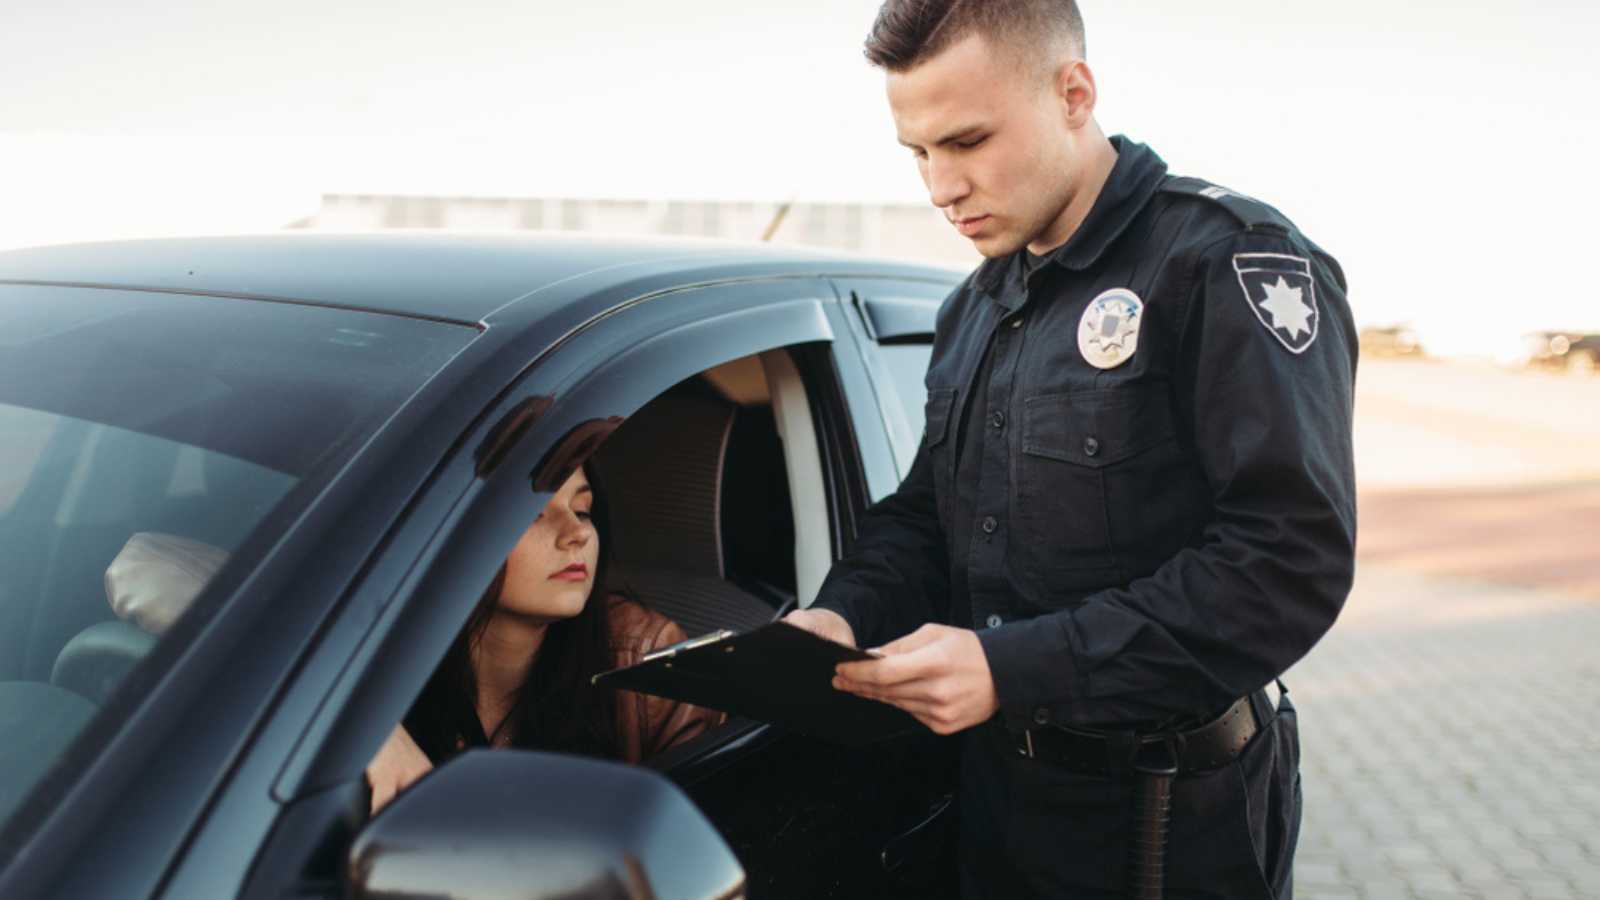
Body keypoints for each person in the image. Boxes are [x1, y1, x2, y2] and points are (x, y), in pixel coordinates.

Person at [785, 2, 1356, 897]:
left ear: (1074, 93)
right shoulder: (974, 307)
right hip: (999, 806)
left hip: (1169, 829)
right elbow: (931, 517)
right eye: (919, 153)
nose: (941, 187)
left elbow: (1286, 565)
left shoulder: (1225, 261)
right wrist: (840, 616)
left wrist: (1010, 669)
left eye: (968, 141)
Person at [365, 464, 722, 812]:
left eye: (582, 511)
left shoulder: (645, 658)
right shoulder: (372, 660)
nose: (576, 533)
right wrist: (374, 735)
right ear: (456, 533)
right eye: (533, 513)